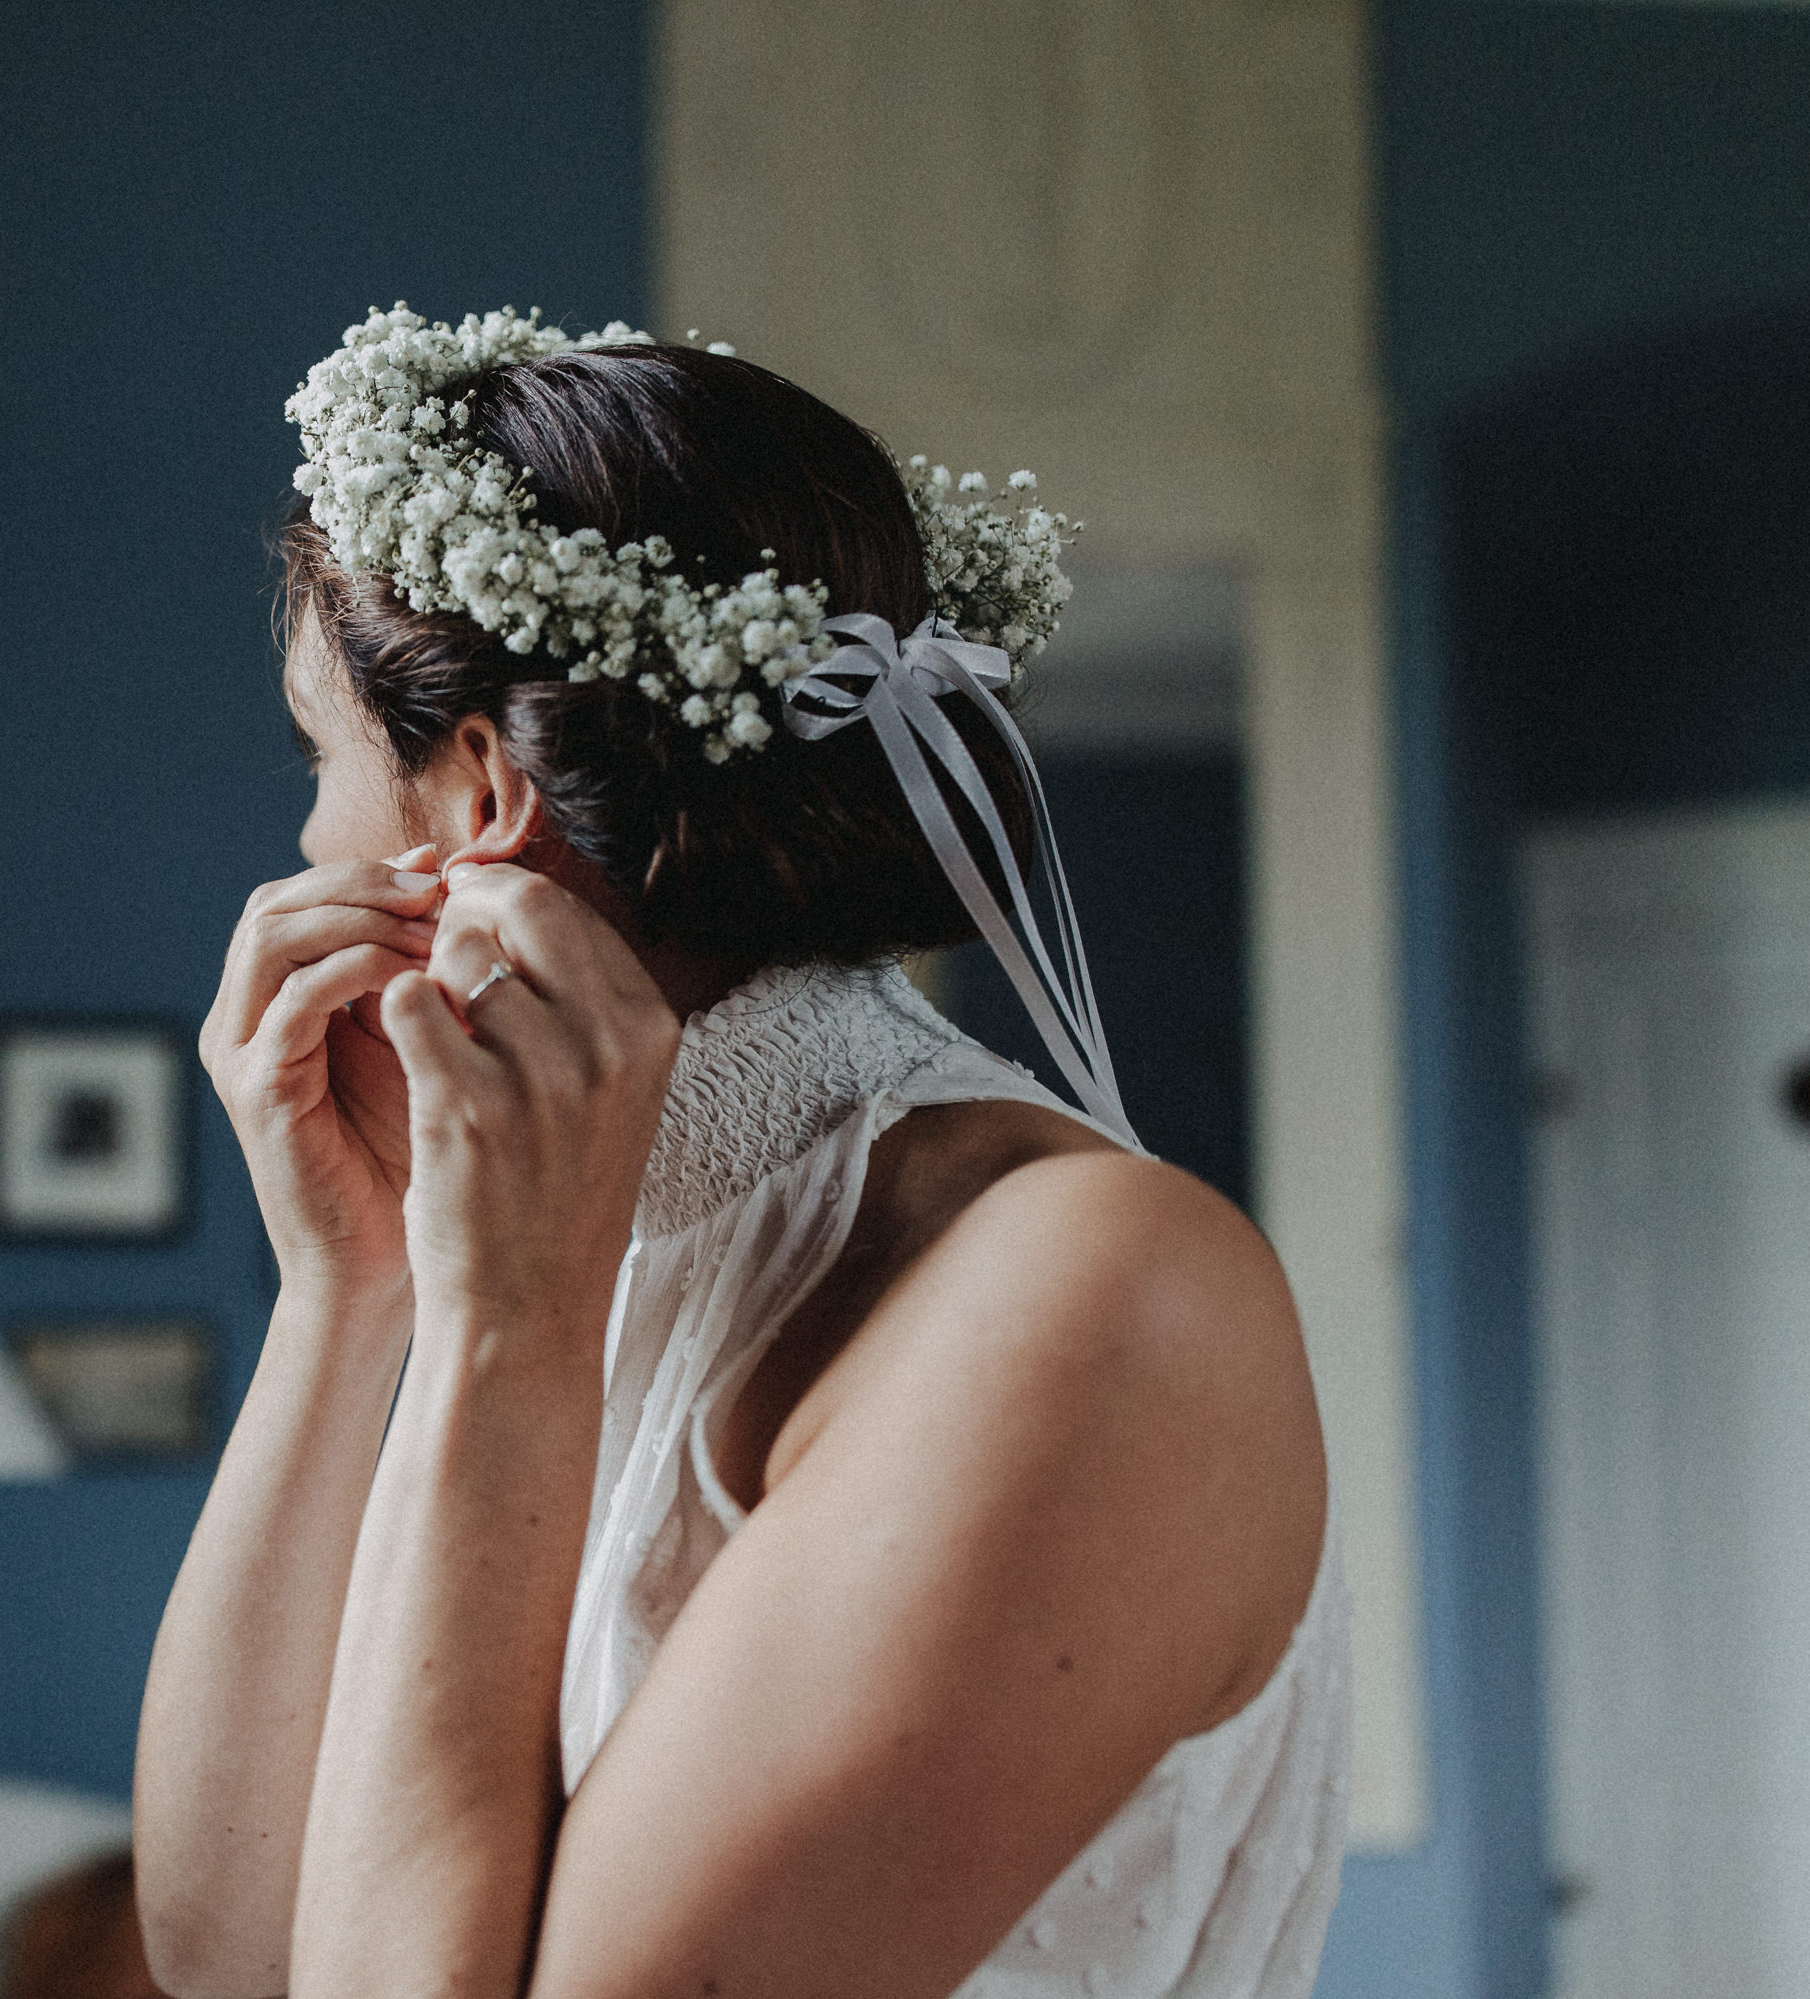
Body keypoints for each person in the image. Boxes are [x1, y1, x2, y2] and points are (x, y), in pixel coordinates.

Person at [135, 309, 1342, 1998]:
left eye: (318, 760)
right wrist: (351, 1292)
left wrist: (507, 1340)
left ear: (478, 795)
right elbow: (222, 1952)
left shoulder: (1089, 1295)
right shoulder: (555, 1244)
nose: (304, 846)